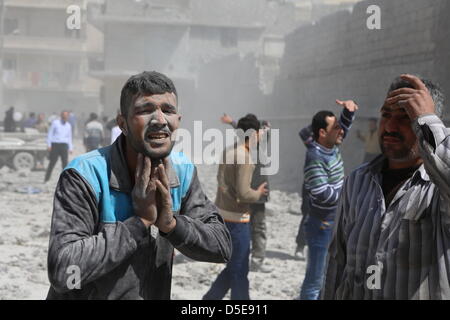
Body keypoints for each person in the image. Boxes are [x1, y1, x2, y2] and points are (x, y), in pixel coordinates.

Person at [46, 71, 232, 300]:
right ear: (122, 123)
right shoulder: (85, 175)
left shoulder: (182, 172)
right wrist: (139, 223)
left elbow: (222, 247)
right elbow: (64, 273)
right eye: (145, 110)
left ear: (178, 121)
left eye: (168, 110)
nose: (160, 120)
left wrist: (171, 225)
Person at [323, 74, 450, 300]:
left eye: (405, 117)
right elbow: (337, 260)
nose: (390, 126)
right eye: (386, 115)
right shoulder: (357, 181)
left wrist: (427, 119)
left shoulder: (437, 189)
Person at [203, 115, 269, 300]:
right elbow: (243, 194)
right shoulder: (245, 158)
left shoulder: (228, 151)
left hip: (222, 216)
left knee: (234, 268)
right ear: (254, 134)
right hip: (237, 221)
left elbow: (221, 181)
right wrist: (258, 193)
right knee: (239, 271)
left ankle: (209, 300)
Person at [299, 100, 357, 300]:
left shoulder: (328, 147)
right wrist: (348, 187)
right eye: (336, 128)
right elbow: (322, 194)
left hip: (334, 222)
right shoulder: (315, 156)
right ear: (322, 133)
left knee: (329, 278)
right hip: (322, 226)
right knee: (315, 281)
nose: (341, 131)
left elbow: (341, 131)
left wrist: (347, 112)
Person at [220, 113, 272, 273]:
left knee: (256, 228)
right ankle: (243, 259)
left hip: (255, 193)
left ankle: (254, 261)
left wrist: (232, 122)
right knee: (248, 228)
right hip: (247, 193)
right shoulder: (243, 147)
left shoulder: (259, 144)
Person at [44, 111, 73, 183]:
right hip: (55, 145)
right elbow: (50, 134)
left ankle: (65, 180)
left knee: (65, 163)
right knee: (52, 162)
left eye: (66, 116)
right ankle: (46, 179)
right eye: (64, 115)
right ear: (61, 115)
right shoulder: (55, 123)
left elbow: (69, 137)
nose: (65, 117)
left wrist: (70, 147)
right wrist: (49, 145)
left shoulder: (68, 125)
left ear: (68, 116)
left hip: (64, 145)